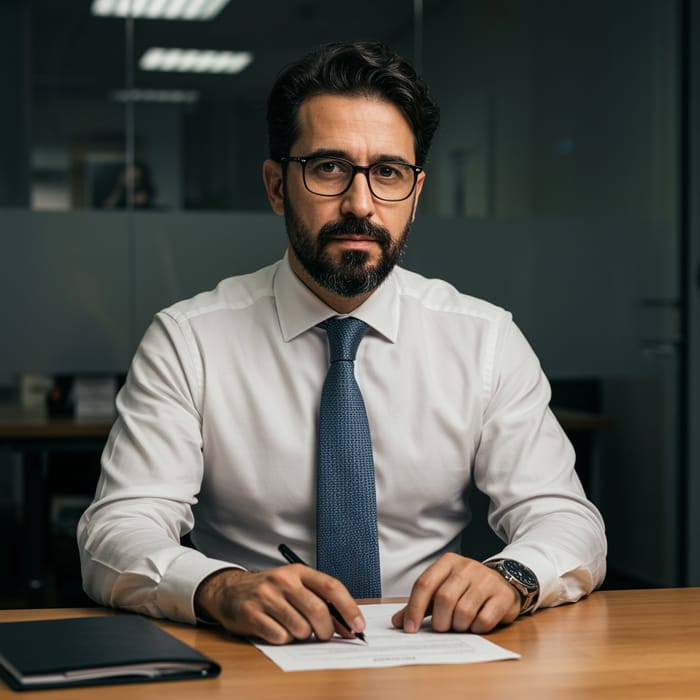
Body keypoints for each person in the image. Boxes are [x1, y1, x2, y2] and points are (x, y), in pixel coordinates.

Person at [78, 41, 606, 645]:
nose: (361, 204)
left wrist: (514, 574)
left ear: (416, 190)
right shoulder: (189, 340)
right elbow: (118, 528)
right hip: (256, 653)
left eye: (388, 173)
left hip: (429, 653)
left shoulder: (484, 338)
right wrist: (219, 588)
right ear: (277, 186)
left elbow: (567, 518)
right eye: (329, 167)